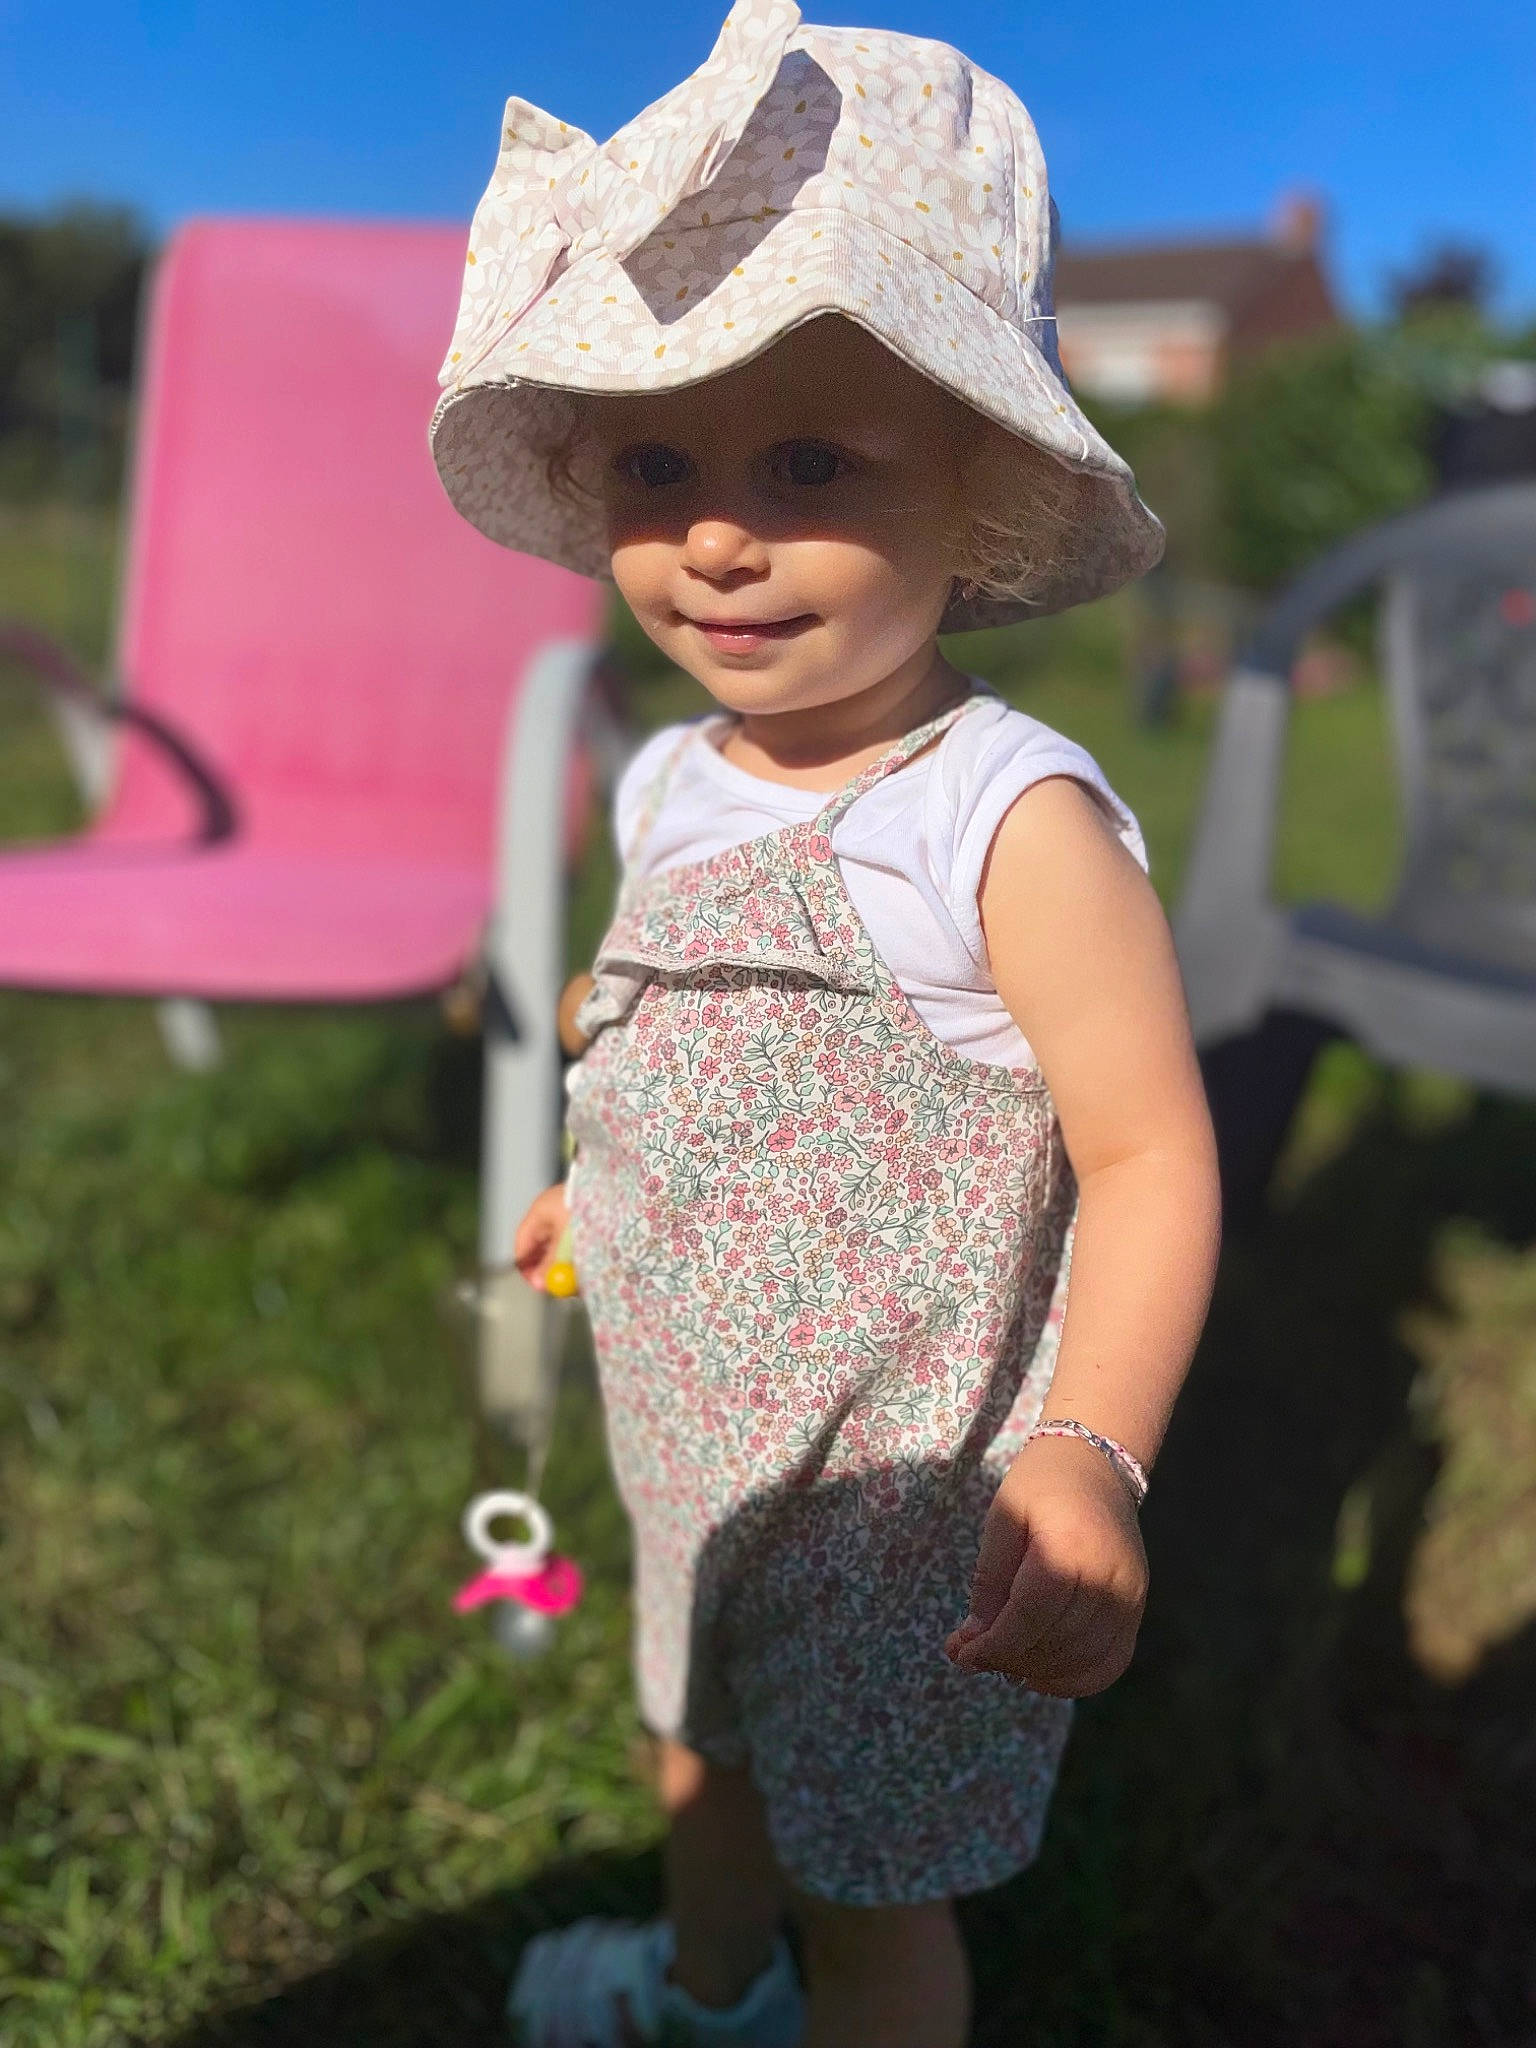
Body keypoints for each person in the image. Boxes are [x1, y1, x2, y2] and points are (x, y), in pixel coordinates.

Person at [430, 6, 1221, 2043]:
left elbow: (1148, 1153)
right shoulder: (671, 779)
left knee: (878, 1894)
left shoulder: (1002, 820)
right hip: (695, 1439)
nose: (714, 530)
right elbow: (656, 1013)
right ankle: (704, 1990)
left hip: (905, 1510)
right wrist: (585, 1179)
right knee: (698, 1756)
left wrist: (1093, 1451)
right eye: (657, 464)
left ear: (979, 494)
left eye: (807, 462)